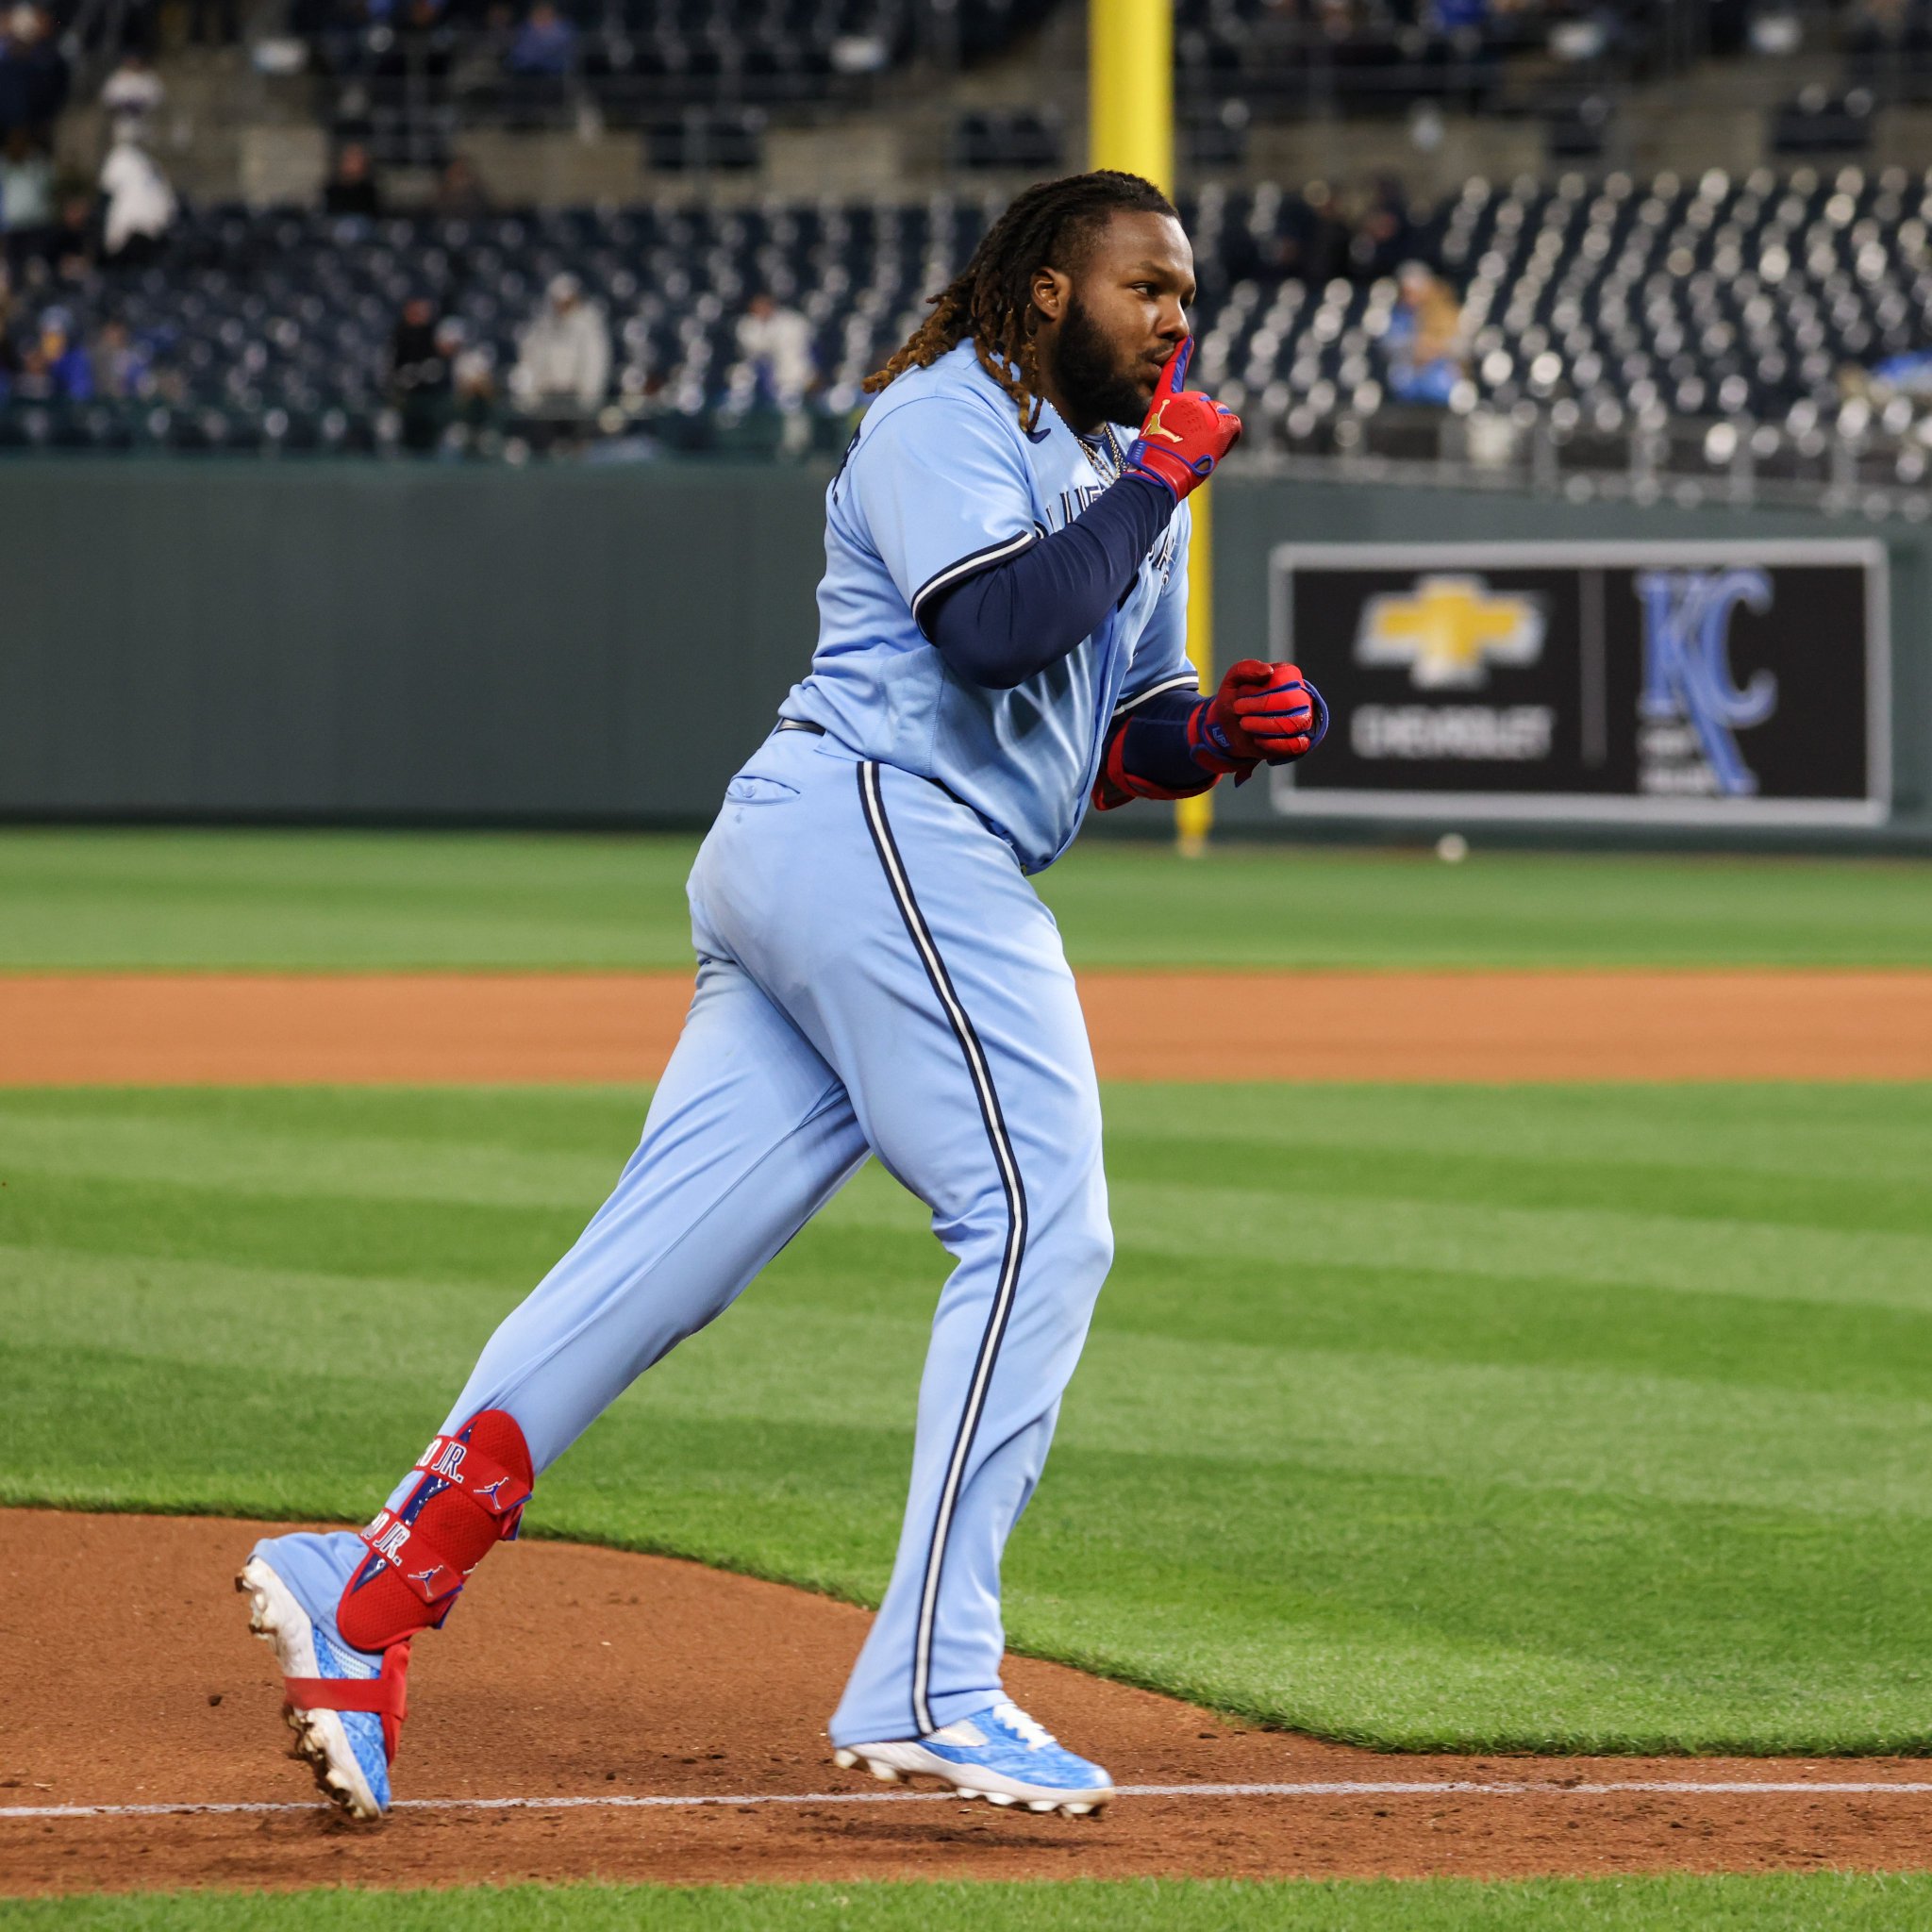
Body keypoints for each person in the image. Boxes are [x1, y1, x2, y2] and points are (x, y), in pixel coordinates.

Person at [236, 169, 1327, 1824]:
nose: (1176, 316)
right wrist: (1163, 477)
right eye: (1145, 286)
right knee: (1038, 1217)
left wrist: (1218, 736)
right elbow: (991, 631)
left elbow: (1110, 735)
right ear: (1046, 289)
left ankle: (370, 1587)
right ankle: (931, 1676)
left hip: (849, 860)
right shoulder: (941, 416)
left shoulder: (1124, 480)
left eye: (1186, 291)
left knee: (656, 1264)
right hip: (879, 825)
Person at [508, 271, 608, 413]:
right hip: (547, 396)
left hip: (576, 397)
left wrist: (588, 397)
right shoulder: (542, 325)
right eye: (559, 301)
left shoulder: (589, 325)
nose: (563, 306)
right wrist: (534, 395)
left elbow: (594, 362)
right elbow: (530, 358)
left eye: (568, 301)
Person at [736, 288, 815, 455]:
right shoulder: (747, 324)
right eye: (757, 305)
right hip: (758, 376)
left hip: (790, 376)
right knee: (740, 394)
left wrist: (809, 376)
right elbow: (755, 348)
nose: (762, 308)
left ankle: (794, 448)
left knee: (790, 405)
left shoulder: (791, 322)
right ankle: (748, 446)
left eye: (765, 304)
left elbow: (804, 352)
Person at [1385, 261, 1467, 405]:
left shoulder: (1446, 312)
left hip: (1441, 378)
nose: (1409, 299)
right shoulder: (1398, 315)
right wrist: (1415, 348)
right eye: (1405, 293)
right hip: (1409, 378)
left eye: (1413, 293)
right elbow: (1388, 344)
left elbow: (1461, 345)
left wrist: (1436, 348)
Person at [97, 132, 174, 263]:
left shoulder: (120, 157)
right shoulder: (148, 163)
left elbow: (105, 195)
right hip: (154, 231)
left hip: (130, 232)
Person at [323, 142, 382, 217]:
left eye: (357, 159)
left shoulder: (368, 191)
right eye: (349, 159)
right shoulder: (332, 189)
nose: (353, 164)